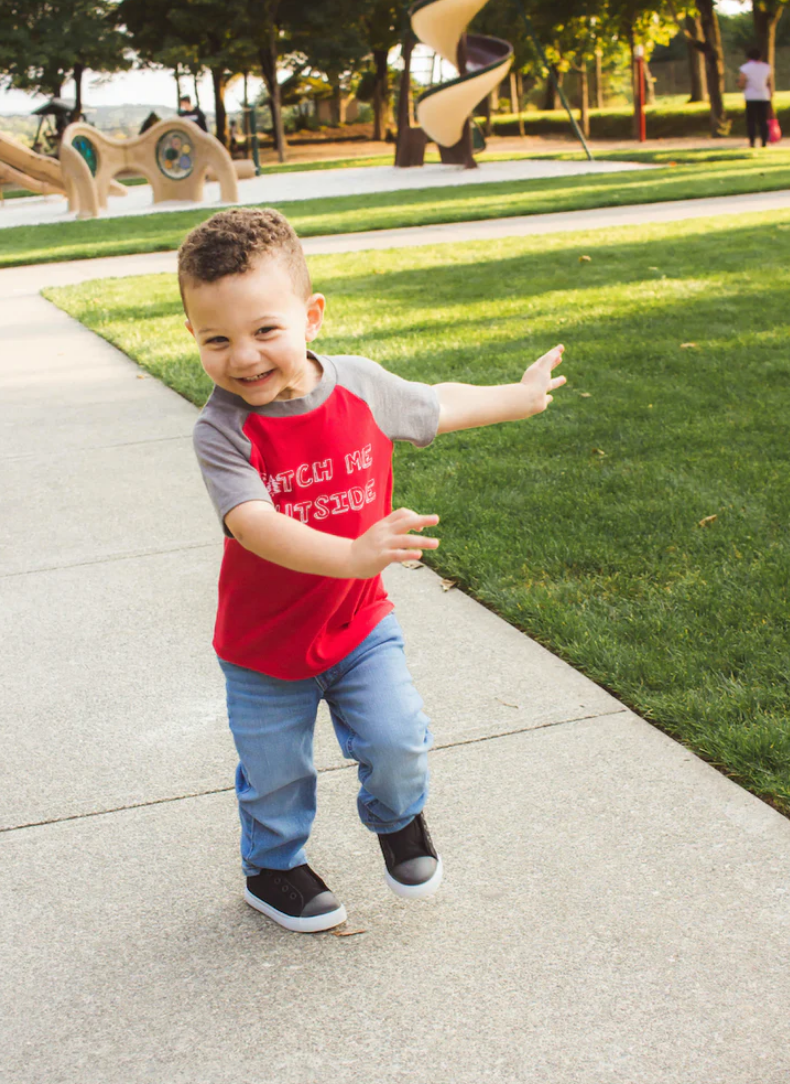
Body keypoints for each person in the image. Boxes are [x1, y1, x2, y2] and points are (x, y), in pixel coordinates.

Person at [181, 207, 566, 933]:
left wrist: (519, 399)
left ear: (312, 316)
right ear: (195, 338)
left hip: (358, 625)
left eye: (265, 330)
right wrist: (352, 554)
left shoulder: (358, 385)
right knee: (276, 775)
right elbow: (254, 525)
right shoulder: (223, 431)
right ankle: (274, 868)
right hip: (263, 651)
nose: (243, 356)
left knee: (399, 739)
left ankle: (398, 819)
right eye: (216, 339)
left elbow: (435, 403)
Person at [738, 47, 773, 148]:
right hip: (764, 96)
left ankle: (752, 141)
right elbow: (768, 82)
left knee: (751, 120)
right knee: (763, 120)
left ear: (748, 57)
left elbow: (742, 82)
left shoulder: (745, 68)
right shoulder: (766, 67)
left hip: (751, 96)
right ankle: (764, 142)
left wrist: (739, 84)